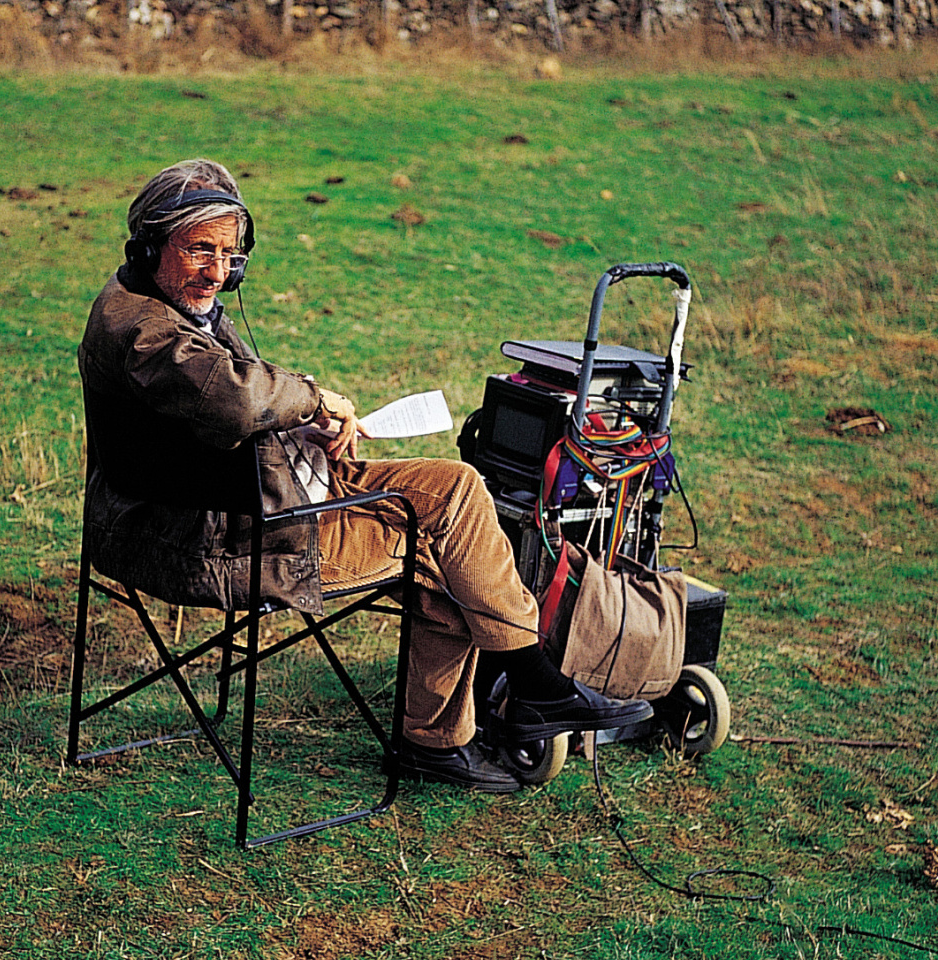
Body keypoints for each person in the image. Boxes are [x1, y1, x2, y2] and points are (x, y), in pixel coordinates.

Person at [79, 158, 652, 792]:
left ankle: (510, 696)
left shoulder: (143, 300)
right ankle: (490, 708)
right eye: (199, 252)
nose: (218, 272)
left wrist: (301, 425)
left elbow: (222, 409)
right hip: (213, 540)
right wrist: (314, 399)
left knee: (455, 489)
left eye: (229, 254)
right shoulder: (148, 332)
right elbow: (235, 399)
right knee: (446, 552)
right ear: (152, 243)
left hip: (251, 493)